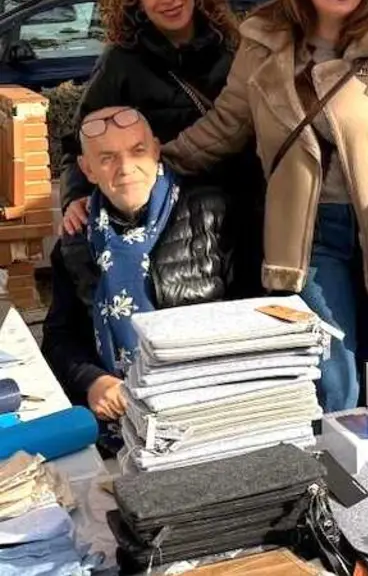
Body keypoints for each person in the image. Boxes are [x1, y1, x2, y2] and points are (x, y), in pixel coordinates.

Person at [162, 0, 368, 412]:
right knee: (335, 380)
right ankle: (335, 482)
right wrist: (155, 163)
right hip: (309, 235)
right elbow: (226, 124)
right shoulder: (263, 47)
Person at [60, 0, 264, 299]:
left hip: (244, 218)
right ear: (135, 1)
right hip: (172, 226)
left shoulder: (234, 48)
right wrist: (75, 195)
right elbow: (82, 138)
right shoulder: (122, 62)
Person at [43, 108, 234, 423]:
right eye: (107, 158)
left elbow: (256, 315)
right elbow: (59, 336)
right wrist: (92, 380)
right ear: (87, 169)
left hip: (210, 411)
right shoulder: (76, 240)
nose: (126, 168)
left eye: (137, 151)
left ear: (157, 150)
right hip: (120, 421)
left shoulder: (213, 214)